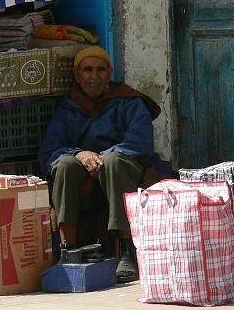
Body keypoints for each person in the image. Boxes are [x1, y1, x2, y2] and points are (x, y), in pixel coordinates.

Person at [38, 45, 161, 283]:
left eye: (100, 70)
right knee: (64, 164)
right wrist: (81, 155)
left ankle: (127, 250)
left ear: (110, 73)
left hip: (123, 173)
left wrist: (101, 158)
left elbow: (141, 143)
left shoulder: (128, 101)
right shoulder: (67, 107)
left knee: (113, 163)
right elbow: (48, 152)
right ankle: (66, 249)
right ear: (77, 75)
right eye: (87, 70)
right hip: (85, 183)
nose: (94, 76)